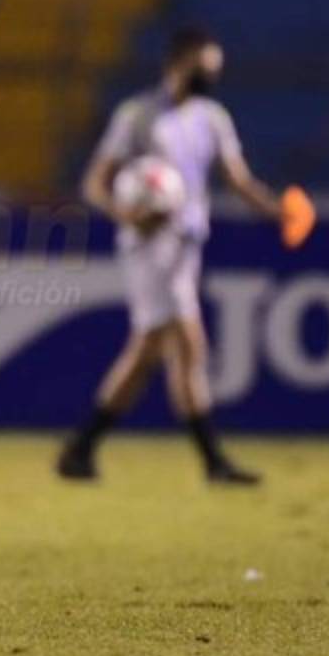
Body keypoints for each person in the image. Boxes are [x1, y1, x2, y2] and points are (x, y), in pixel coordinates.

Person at [57, 25, 286, 486]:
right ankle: (213, 463)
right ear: (178, 63)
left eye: (214, 71)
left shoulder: (212, 118)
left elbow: (238, 178)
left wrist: (276, 209)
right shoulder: (138, 115)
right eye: (203, 68)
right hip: (149, 247)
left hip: (187, 246)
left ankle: (81, 450)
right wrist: (126, 214)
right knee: (186, 344)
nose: (209, 78)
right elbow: (95, 182)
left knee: (150, 353)